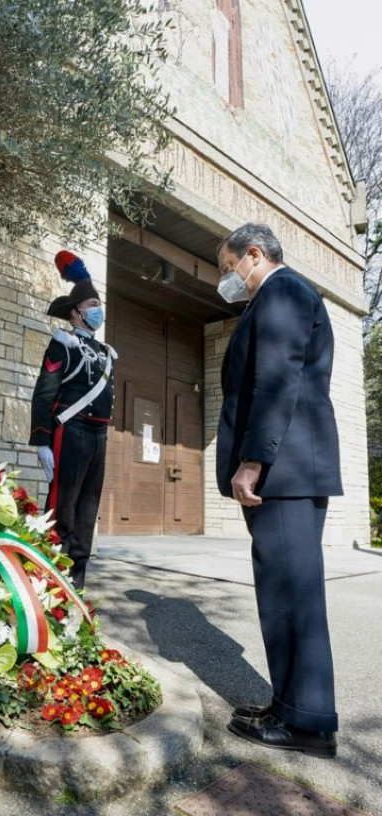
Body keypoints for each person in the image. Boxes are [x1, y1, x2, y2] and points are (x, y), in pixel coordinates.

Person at [215, 223, 342, 759]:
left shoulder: (284, 290)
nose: (228, 279)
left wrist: (252, 461)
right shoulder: (275, 297)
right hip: (287, 471)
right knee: (282, 594)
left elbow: (276, 379)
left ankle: (308, 725)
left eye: (229, 268)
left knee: (293, 597)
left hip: (283, 470)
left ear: (254, 254)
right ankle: (288, 705)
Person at [29, 251, 117, 589]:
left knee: (87, 509)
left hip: (98, 436)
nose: (98, 310)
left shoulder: (106, 352)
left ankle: (75, 585)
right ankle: (49, 582)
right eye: (92, 304)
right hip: (72, 431)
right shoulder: (62, 344)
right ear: (76, 313)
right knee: (61, 507)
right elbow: (44, 393)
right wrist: (41, 441)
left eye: (99, 303)